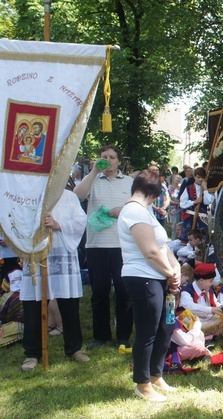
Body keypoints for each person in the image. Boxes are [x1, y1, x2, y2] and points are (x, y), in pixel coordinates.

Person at [118, 171, 181, 402]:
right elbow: (150, 252)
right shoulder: (133, 211)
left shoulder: (146, 211)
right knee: (147, 332)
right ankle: (142, 384)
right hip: (143, 278)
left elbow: (163, 246)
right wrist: (170, 274)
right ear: (153, 192)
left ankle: (156, 374)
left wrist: (176, 270)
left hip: (161, 278)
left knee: (166, 327)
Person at [20, 190, 89, 372]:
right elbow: (18, 219)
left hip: (62, 254)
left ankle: (74, 348)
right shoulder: (29, 194)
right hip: (37, 255)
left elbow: (81, 221)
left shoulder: (69, 196)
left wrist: (58, 224)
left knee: (69, 303)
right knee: (34, 305)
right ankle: (32, 353)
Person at [73, 144, 134, 350]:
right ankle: (101, 336)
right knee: (99, 292)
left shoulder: (129, 182)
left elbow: (140, 205)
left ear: (119, 161)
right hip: (96, 245)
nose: (108, 160)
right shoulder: (93, 180)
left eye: (112, 157)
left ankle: (123, 336)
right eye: (104, 157)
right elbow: (78, 195)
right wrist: (93, 172)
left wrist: (123, 209)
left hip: (122, 245)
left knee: (123, 291)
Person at [179, 263, 223, 335]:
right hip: (191, 320)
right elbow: (190, 307)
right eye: (210, 281)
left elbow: (217, 306)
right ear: (201, 280)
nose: (212, 284)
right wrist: (211, 309)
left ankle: (211, 336)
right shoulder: (186, 292)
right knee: (191, 322)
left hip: (204, 319)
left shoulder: (209, 291)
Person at [179, 167, 214, 244]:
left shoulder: (208, 190)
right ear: (194, 176)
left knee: (202, 240)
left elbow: (208, 201)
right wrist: (194, 202)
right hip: (190, 217)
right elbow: (182, 203)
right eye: (198, 177)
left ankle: (201, 254)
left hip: (201, 218)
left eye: (202, 177)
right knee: (187, 240)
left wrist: (205, 189)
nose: (200, 179)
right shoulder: (188, 188)